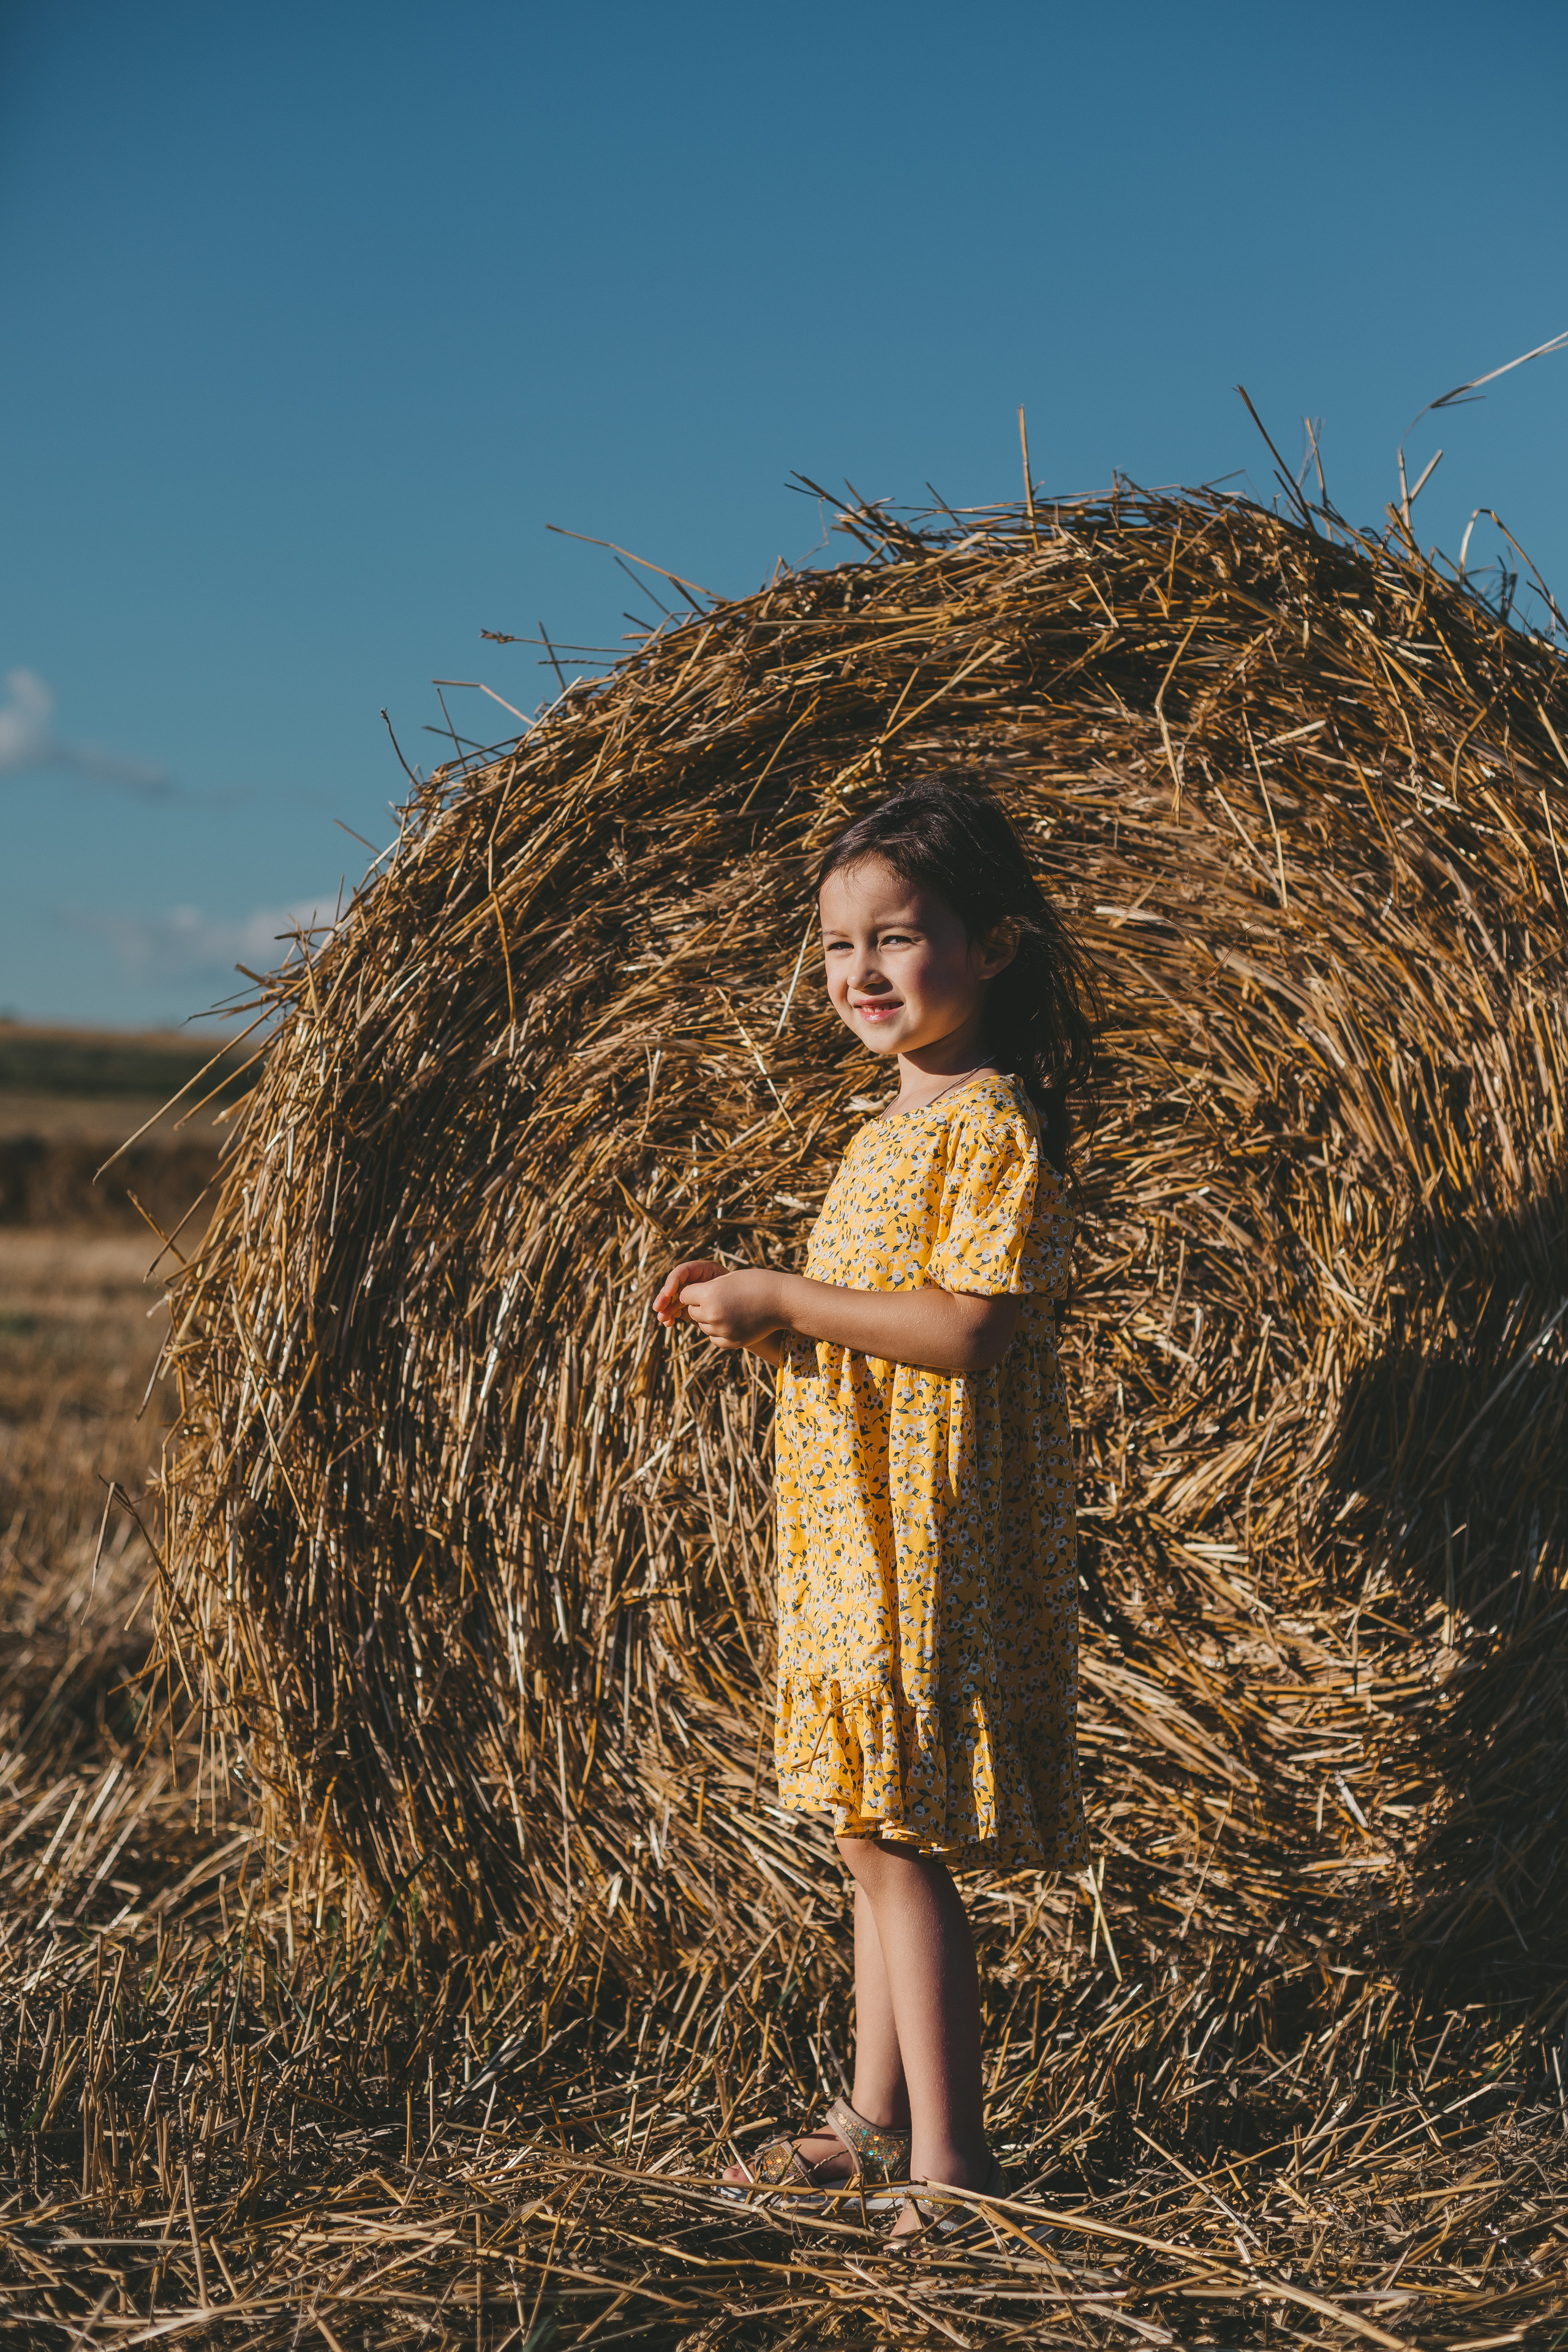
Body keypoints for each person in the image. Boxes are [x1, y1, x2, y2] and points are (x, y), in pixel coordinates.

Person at [653, 775, 1096, 2247]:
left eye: (896, 937)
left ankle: (952, 2167)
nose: (861, 972)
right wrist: (754, 1307)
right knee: (863, 1827)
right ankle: (867, 2118)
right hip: (854, 1520)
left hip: (928, 1530)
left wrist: (785, 1295)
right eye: (840, 946)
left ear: (995, 946)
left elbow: (966, 1328)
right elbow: (872, 1314)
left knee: (894, 1838)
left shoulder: (991, 1123)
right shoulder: (888, 1125)